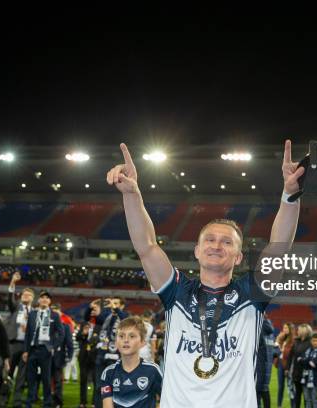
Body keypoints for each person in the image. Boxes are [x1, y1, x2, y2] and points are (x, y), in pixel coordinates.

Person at [105, 140, 303, 407]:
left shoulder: (251, 293)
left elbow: (279, 248)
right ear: (197, 250)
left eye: (227, 242)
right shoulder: (176, 291)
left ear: (239, 256)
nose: (217, 245)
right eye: (209, 239)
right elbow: (147, 247)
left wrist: (290, 195)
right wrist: (132, 195)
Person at [100, 317, 162, 408]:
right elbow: (107, 405)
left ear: (142, 342)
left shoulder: (152, 370)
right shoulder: (109, 373)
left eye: (132, 336)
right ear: (116, 342)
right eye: (121, 336)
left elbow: (167, 399)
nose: (126, 340)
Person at [22, 290, 64, 408]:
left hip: (45, 350)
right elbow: (28, 334)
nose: (45, 299)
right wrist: (25, 350)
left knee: (46, 379)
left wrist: (53, 347)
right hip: (32, 349)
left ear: (50, 301)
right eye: (42, 297)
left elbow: (61, 334)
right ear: (39, 300)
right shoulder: (32, 314)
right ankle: (29, 402)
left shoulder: (54, 315)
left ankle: (47, 403)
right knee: (30, 378)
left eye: (47, 298)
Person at [5, 272, 35, 408]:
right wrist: (13, 282)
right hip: (12, 344)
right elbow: (10, 298)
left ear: (33, 298)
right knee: (7, 374)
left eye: (28, 295)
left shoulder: (35, 312)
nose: (25, 296)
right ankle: (3, 400)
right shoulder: (16, 307)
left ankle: (17, 402)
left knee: (21, 378)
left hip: (26, 347)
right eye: (23, 294)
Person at [50, 304, 73, 408]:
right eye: (52, 311)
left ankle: (58, 401)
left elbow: (69, 343)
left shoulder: (65, 326)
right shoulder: (47, 325)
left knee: (58, 380)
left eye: (56, 311)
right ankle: (48, 399)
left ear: (60, 312)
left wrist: (70, 355)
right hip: (46, 356)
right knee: (46, 379)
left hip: (59, 356)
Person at [287, 324, 313, 408]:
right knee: (297, 394)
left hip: (306, 372)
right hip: (296, 372)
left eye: (299, 329)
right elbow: (290, 356)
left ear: (304, 331)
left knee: (306, 396)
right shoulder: (296, 342)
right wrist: (287, 368)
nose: (297, 331)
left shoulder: (310, 342)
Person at [300, 333, 317, 408]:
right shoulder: (307, 350)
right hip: (305, 377)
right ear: (311, 341)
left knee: (315, 398)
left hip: (315, 378)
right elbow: (301, 361)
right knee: (307, 399)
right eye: (314, 341)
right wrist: (308, 361)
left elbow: (315, 363)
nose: (315, 342)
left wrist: (306, 360)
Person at [256, 314, 275, 408]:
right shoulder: (271, 332)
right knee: (264, 389)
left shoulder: (259, 328)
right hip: (267, 367)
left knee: (257, 394)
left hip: (259, 366)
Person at [77, 322, 97, 408]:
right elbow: (78, 337)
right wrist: (83, 333)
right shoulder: (84, 323)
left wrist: (93, 338)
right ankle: (83, 402)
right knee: (83, 381)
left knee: (96, 381)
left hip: (95, 357)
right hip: (83, 358)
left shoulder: (99, 325)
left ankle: (94, 402)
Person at [276, 323, 295, 408]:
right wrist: (278, 340)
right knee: (280, 386)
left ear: (290, 329)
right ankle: (279, 405)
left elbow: (290, 353)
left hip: (288, 364)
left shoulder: (293, 340)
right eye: (283, 328)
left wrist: (282, 349)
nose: (284, 330)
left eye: (286, 328)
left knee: (290, 386)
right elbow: (276, 351)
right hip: (280, 363)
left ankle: (293, 405)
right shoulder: (281, 338)